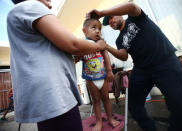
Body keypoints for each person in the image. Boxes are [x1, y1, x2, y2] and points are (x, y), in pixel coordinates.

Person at [87, 2, 182, 131]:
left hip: (165, 62)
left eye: (111, 17)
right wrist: (107, 46)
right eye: (108, 22)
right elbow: (123, 56)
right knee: (133, 105)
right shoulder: (119, 39)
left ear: (120, 14)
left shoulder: (135, 18)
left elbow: (131, 7)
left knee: (181, 106)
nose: (110, 22)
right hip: (142, 70)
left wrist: (102, 13)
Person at [7, 0, 107, 131]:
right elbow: (73, 44)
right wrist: (98, 46)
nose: (50, 3)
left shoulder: (19, 14)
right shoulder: (30, 5)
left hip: (46, 96)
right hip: (53, 94)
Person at [75, 18, 120, 131]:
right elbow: (77, 58)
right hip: (90, 78)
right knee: (95, 101)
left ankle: (110, 118)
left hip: (102, 76)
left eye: (99, 28)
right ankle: (99, 121)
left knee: (106, 99)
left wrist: (109, 70)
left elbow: (106, 56)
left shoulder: (101, 42)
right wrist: (79, 52)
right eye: (93, 28)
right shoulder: (82, 43)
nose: (97, 31)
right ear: (84, 31)